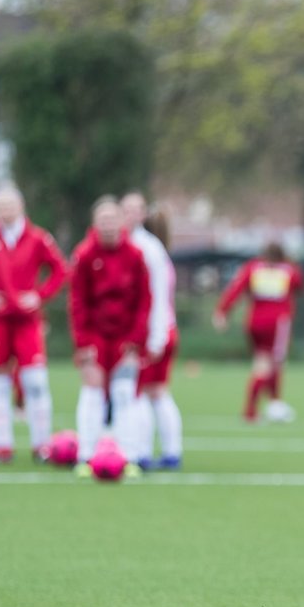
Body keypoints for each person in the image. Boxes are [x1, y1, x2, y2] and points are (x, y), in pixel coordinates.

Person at [0, 186, 68, 462]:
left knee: (35, 381)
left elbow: (60, 270)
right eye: (1, 205)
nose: (6, 210)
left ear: (21, 206)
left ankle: (42, 444)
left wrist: (39, 296)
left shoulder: (38, 237)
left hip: (27, 321)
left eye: (11, 205)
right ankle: (1, 443)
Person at [67, 196, 151, 477]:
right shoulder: (84, 255)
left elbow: (144, 301)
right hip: (95, 335)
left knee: (125, 393)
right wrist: (83, 342)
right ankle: (86, 456)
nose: (108, 226)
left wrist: (136, 341)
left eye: (113, 220)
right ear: (94, 224)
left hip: (126, 337)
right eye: (103, 220)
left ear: (122, 222)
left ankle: (129, 456)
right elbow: (77, 301)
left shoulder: (136, 255)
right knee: (92, 392)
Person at [120, 192, 183, 470]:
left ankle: (144, 453)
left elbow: (156, 297)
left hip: (155, 331)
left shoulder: (148, 248)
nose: (131, 214)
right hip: (153, 330)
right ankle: (169, 452)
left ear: (143, 214)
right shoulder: (136, 245)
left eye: (137, 209)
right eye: (127, 209)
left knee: (144, 392)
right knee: (155, 392)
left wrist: (156, 336)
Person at [212, 242, 304, 423]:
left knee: (262, 362)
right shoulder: (288, 270)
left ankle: (271, 405)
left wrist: (222, 311)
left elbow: (235, 289)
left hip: (255, 322)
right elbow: (299, 283)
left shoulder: (253, 268)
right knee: (273, 364)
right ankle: (254, 409)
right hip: (277, 324)